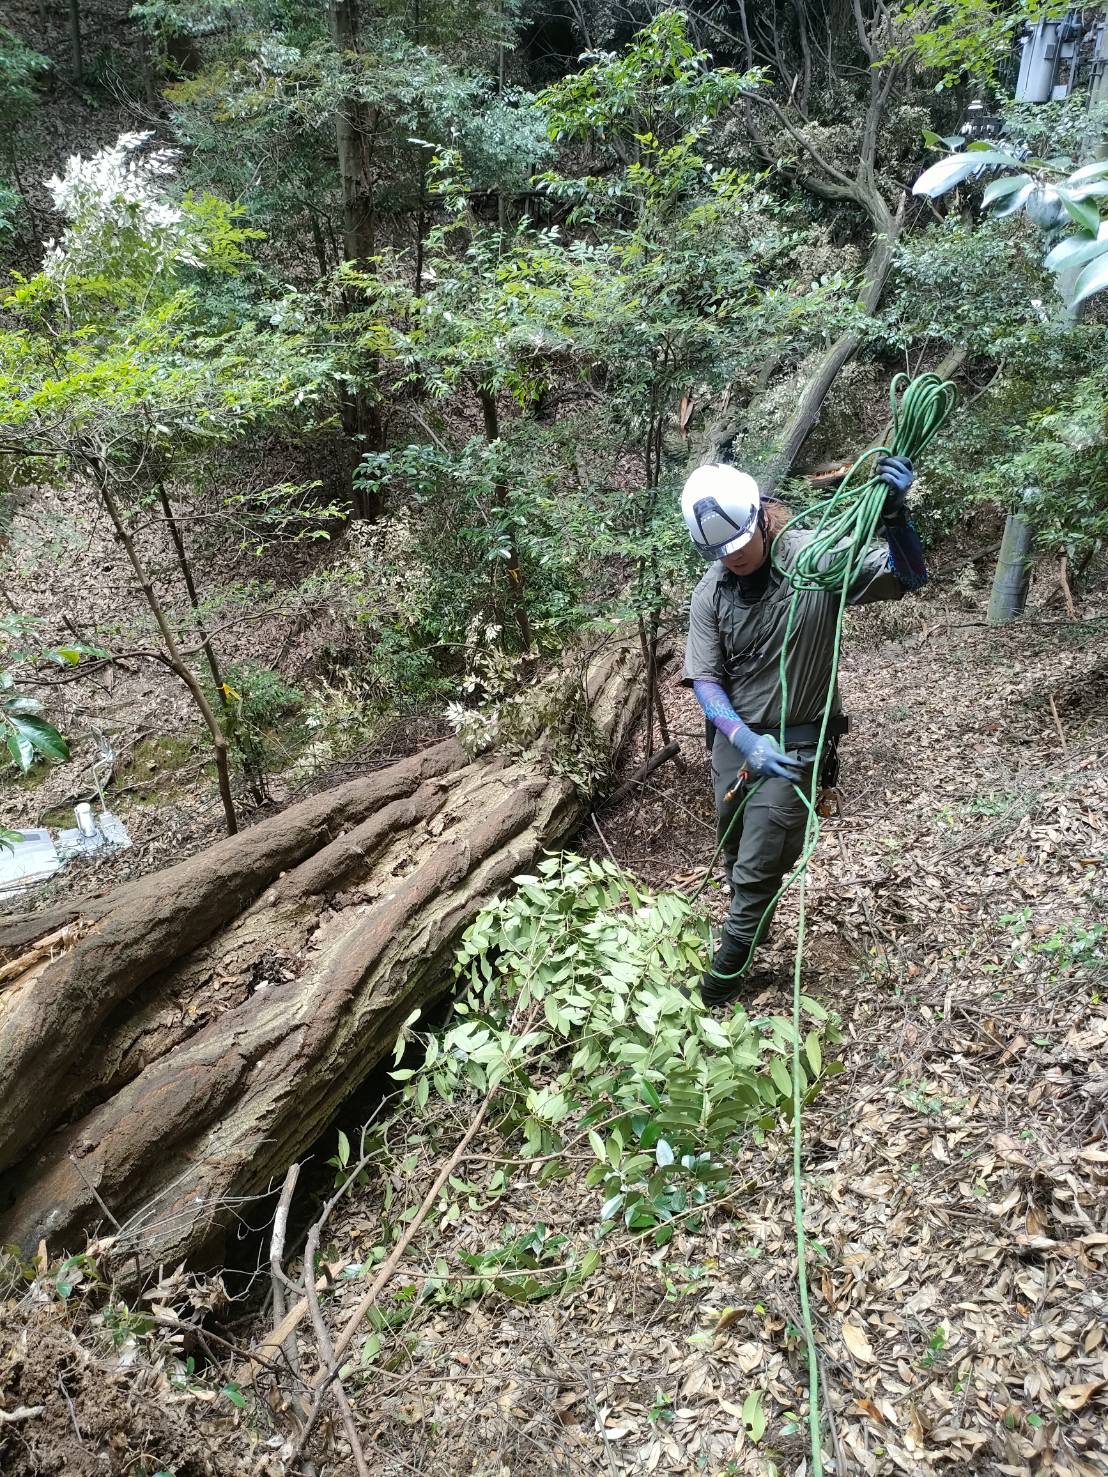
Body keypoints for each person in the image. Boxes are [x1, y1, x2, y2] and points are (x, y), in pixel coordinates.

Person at [681, 455, 925, 1005]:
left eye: (741, 542)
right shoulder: (711, 592)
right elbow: (705, 679)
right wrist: (743, 741)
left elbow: (910, 576)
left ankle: (721, 983)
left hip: (797, 740)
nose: (734, 557)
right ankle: (753, 923)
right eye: (721, 552)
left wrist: (896, 519)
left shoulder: (816, 558)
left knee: (759, 861)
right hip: (735, 741)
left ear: (764, 518)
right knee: (734, 844)